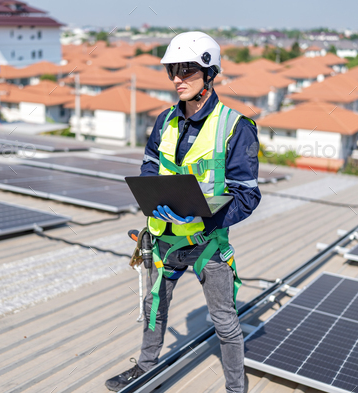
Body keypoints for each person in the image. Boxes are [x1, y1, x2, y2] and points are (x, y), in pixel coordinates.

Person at [105, 31, 262, 393]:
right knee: (153, 306)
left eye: (187, 69)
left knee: (224, 320)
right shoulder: (165, 121)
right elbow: (148, 168)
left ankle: (236, 388)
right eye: (172, 70)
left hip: (208, 242)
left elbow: (247, 196)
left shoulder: (235, 128)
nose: (177, 78)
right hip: (164, 239)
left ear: (210, 74)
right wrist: (151, 196)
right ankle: (144, 368)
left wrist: (203, 219)